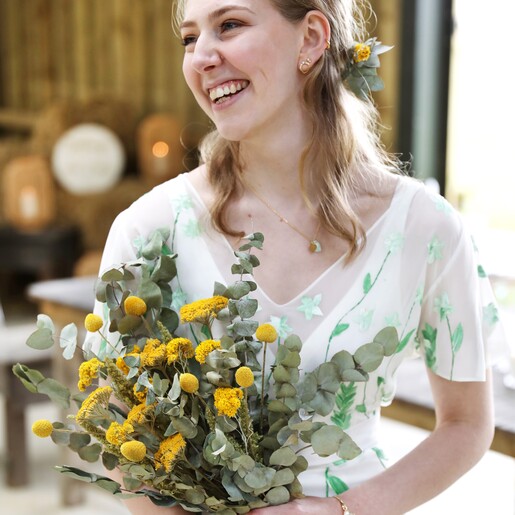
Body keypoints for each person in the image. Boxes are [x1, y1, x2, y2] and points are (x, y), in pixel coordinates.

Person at [92, 0, 505, 513]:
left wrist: (342, 511)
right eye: (190, 38)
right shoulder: (150, 230)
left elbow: (467, 424)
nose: (201, 56)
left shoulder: (426, 228)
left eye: (230, 25)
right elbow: (116, 418)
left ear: (310, 38)